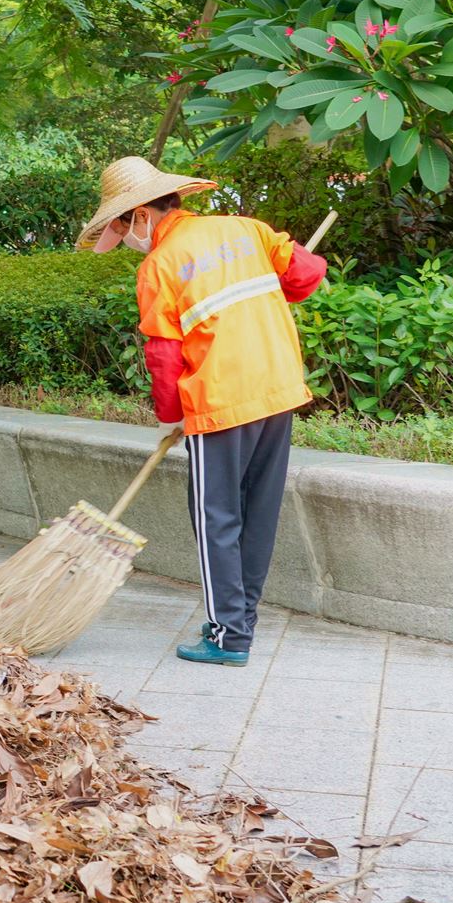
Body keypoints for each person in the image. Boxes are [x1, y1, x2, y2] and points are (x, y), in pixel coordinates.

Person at [79, 156, 327, 667]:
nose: (125, 237)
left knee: (216, 518)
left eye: (123, 226)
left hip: (218, 402)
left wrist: (171, 413)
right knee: (257, 514)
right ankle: (241, 625)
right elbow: (307, 275)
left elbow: (163, 353)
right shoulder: (246, 230)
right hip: (277, 391)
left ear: (142, 214)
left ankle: (227, 635)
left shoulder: (159, 267)